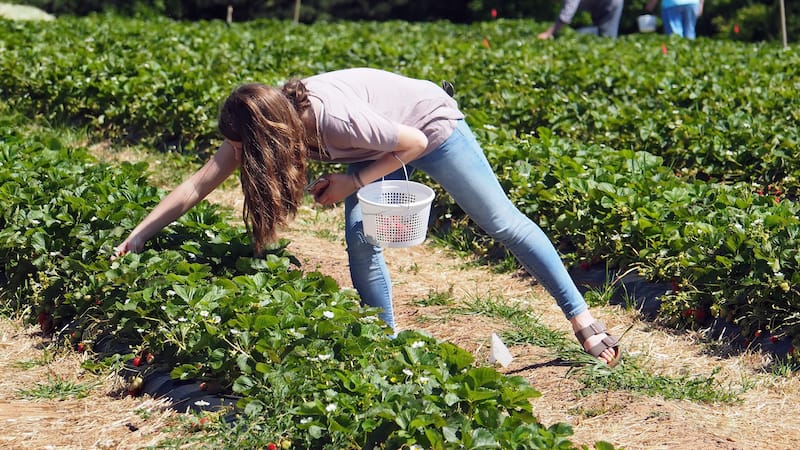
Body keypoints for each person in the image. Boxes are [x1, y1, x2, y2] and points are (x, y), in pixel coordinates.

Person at [112, 68, 621, 366]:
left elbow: (414, 143)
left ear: (268, 132)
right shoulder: (262, 120)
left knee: (500, 223)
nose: (243, 156)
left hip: (427, 127)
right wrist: (139, 235)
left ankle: (582, 319)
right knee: (361, 237)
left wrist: (352, 182)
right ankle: (388, 341)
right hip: (375, 146)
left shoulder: (331, 117)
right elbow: (200, 183)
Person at [538, 0, 625, 40]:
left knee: (607, 38)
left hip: (610, 4)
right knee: (601, 35)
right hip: (599, 9)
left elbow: (566, 16)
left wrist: (548, 33)